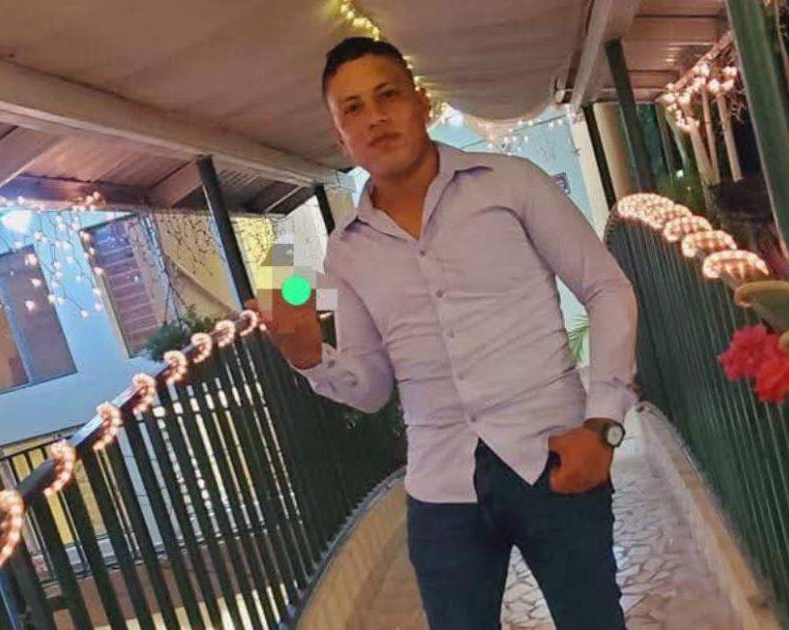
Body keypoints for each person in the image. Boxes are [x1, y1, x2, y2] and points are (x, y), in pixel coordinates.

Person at [248, 37, 638, 630]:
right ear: (339, 136)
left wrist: (604, 427)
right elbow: (372, 388)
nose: (374, 117)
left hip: (555, 455)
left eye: (387, 95)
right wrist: (309, 358)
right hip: (441, 490)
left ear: (421, 102)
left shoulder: (511, 183)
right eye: (353, 108)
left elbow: (607, 289)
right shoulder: (344, 253)